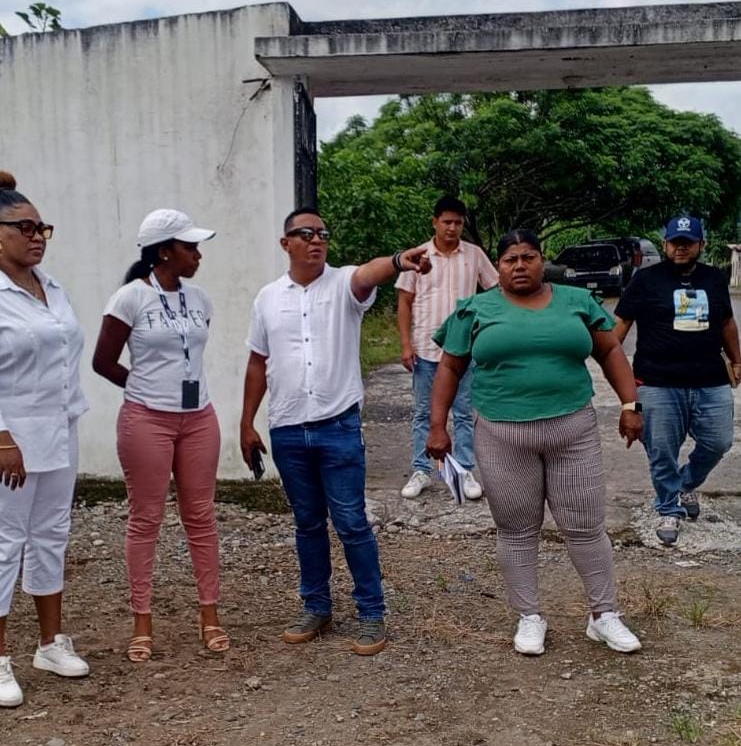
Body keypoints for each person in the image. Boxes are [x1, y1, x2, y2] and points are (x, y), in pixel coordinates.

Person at [426, 229, 644, 656]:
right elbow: (449, 368)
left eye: (528, 257)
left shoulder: (577, 301)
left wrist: (629, 404)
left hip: (573, 431)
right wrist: (438, 426)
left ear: (543, 260)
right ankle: (529, 616)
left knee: (585, 526)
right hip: (501, 434)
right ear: (498, 266)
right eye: (510, 259)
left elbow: (610, 352)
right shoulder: (475, 309)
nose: (520, 265)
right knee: (516, 529)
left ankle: (603, 615)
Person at [240, 207, 431, 656]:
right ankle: (316, 606)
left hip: (338, 427)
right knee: (307, 523)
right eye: (305, 233)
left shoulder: (344, 284)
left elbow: (370, 273)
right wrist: (247, 422)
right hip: (287, 428)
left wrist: (399, 261)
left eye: (322, 234)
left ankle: (371, 612)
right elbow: (257, 362)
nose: (316, 240)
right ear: (286, 243)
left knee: (351, 522)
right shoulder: (267, 298)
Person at [0, 170, 90, 708]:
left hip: (56, 431)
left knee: (51, 534)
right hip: (2, 441)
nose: (36, 236)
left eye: (41, 228)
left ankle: (51, 644)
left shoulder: (52, 287)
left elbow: (64, 357)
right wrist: (2, 439)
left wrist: (68, 416)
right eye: (23, 228)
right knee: (4, 541)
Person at [92, 209, 229, 663]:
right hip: (147, 420)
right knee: (146, 518)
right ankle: (142, 621)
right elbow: (103, 361)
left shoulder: (200, 299)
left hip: (198, 418)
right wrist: (144, 387)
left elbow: (191, 354)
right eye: (190, 247)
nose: (198, 254)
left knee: (201, 516)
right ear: (164, 251)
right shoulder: (129, 298)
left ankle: (210, 614)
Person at [614, 215, 741, 547]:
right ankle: (669, 507)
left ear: (701, 245)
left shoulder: (714, 278)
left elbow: (727, 323)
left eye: (688, 243)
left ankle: (684, 485)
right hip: (657, 381)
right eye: (675, 242)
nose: (680, 248)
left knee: (718, 441)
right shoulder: (645, 279)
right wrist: (616, 373)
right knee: (661, 451)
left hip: (710, 380)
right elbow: (620, 327)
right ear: (665, 244)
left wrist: (737, 360)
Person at [396, 196, 498, 499]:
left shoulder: (474, 255)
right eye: (446, 222)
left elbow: (495, 291)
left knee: (464, 412)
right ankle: (421, 470)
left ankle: (464, 470)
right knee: (423, 413)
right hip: (426, 347)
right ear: (435, 222)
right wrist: (406, 344)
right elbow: (404, 302)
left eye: (458, 222)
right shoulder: (418, 256)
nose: (452, 228)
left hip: (465, 350)